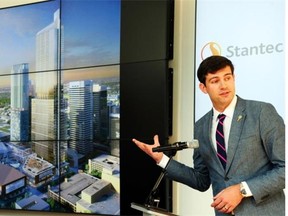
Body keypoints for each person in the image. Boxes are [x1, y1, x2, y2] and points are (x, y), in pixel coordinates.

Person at [132, 55, 285, 216]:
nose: (223, 85)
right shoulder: (201, 126)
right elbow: (201, 180)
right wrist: (161, 160)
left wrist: (242, 190)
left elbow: (284, 169)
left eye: (227, 78)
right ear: (203, 88)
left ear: (234, 78)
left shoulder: (261, 113)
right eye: (214, 81)